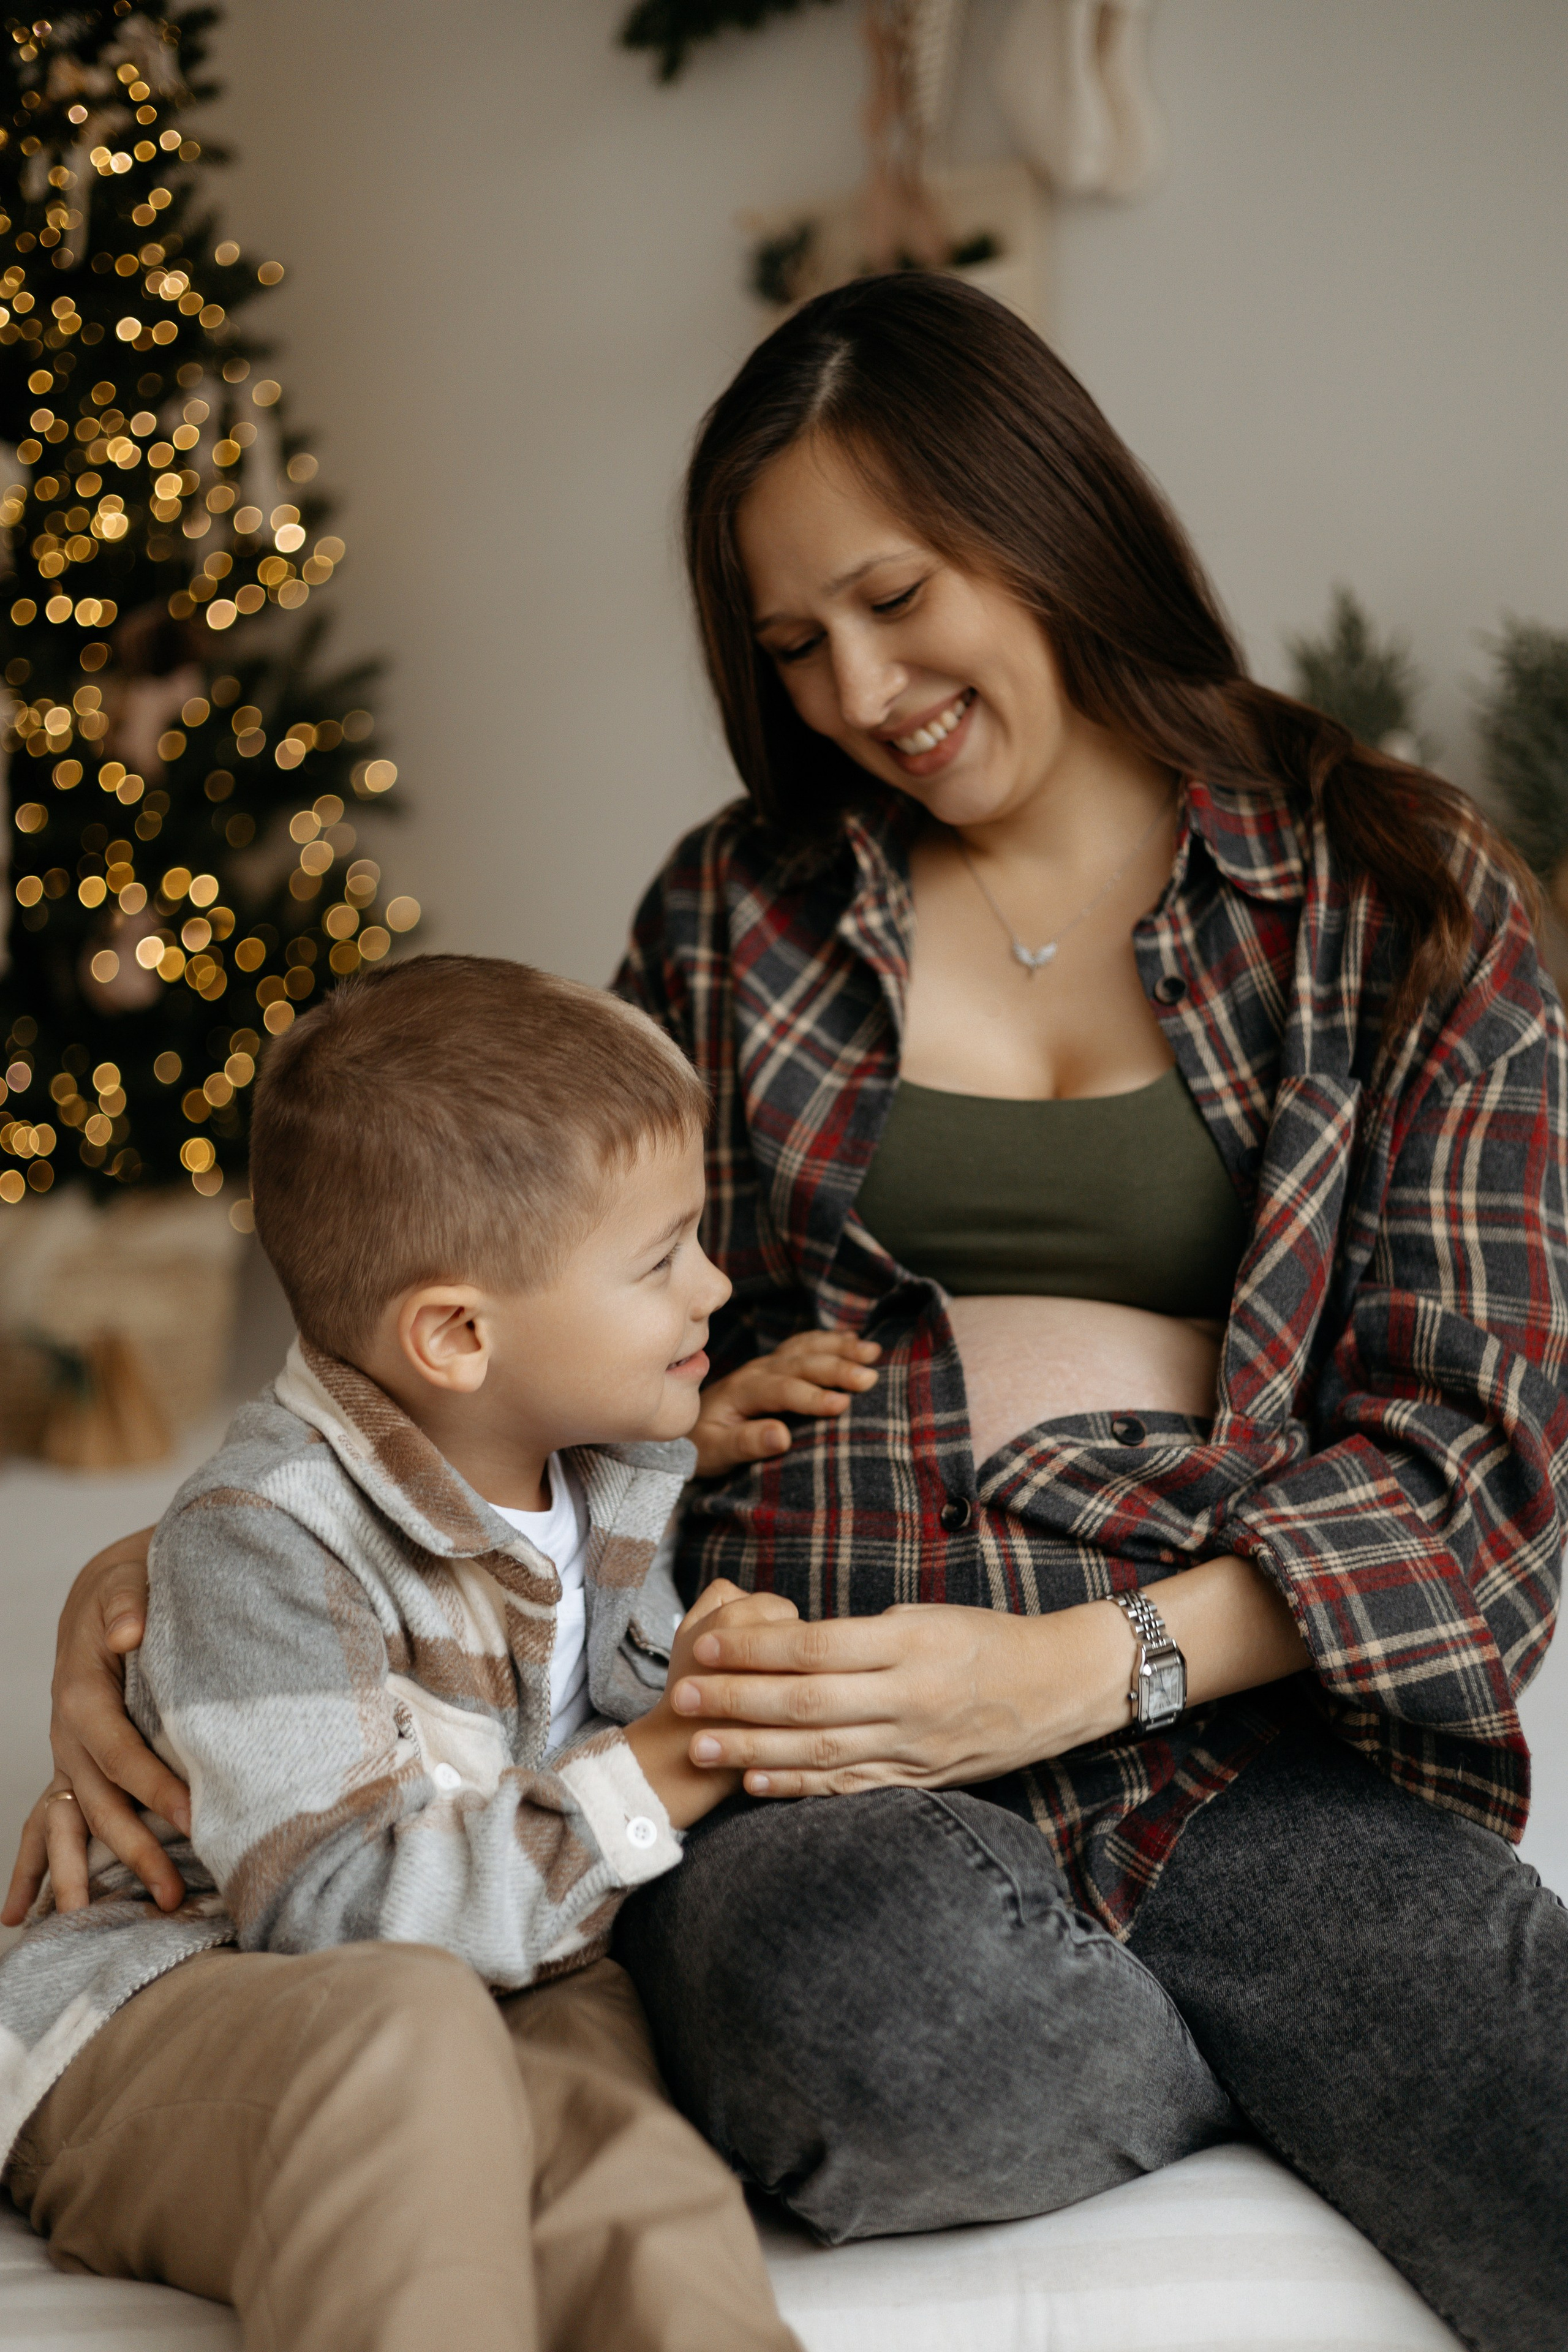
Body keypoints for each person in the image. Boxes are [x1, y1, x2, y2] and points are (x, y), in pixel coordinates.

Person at [13, 276, 1568, 2351]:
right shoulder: (739, 912)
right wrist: (182, 1580)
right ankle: (1239, 2069)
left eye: (898, 596)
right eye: (790, 646)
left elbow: (1477, 1464)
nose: (859, 690)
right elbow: (517, 1315)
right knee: (888, 2028)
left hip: (1228, 1732)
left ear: (1049, 516)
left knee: (1513, 2083)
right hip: (798, 1740)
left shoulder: (1401, 890)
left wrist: (1064, 1673)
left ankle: (1249, 2026)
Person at [0, 954, 801, 2352]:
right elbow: (340, 1913)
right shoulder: (259, 1541)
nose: (715, 1286)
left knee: (641, 2182)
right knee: (412, 2032)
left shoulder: (606, 1479)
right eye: (660, 1260)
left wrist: (713, 1668)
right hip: (196, 2002)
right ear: (456, 1335)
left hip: (512, 1970)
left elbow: (589, 1700)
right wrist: (667, 1762)